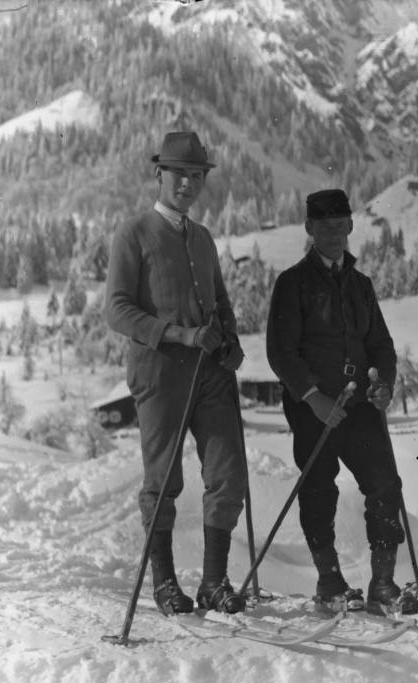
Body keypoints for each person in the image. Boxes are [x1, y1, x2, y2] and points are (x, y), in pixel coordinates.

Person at [106, 131, 247, 616]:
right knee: (164, 479)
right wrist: (179, 334)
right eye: (178, 174)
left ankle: (213, 582)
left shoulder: (202, 237)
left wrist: (230, 340)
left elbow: (221, 303)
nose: (188, 184)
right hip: (160, 373)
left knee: (228, 473)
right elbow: (117, 311)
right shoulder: (134, 234)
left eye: (197, 175)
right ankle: (165, 584)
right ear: (158, 174)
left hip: (210, 374)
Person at [265, 189, 417, 615]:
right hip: (314, 409)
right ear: (310, 229)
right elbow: (281, 352)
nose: (333, 234)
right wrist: (313, 398)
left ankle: (383, 585)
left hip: (361, 408)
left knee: (385, 485)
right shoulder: (292, 284)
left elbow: (382, 346)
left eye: (340, 225)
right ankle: (330, 582)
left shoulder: (361, 285)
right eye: (323, 226)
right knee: (318, 489)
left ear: (350, 226)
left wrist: (383, 383)